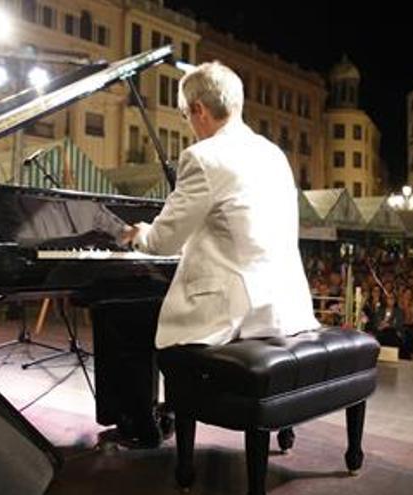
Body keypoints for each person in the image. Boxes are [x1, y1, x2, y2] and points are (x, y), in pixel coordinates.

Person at [120, 62, 320, 444]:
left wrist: (141, 233)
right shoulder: (274, 154)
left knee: (127, 317)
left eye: (184, 115)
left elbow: (162, 242)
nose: (187, 124)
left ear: (198, 109)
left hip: (236, 313)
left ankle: (140, 425)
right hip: (283, 304)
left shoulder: (204, 157)